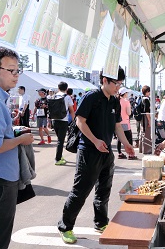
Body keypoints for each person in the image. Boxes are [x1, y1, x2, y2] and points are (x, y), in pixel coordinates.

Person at [57, 68, 135, 244]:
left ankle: (101, 222)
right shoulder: (91, 97)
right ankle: (65, 227)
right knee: (80, 191)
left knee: (104, 189)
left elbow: (117, 126)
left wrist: (127, 144)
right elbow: (80, 122)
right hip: (89, 151)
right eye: (117, 84)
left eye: (121, 84)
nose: (118, 88)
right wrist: (95, 140)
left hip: (106, 152)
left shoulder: (114, 101)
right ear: (106, 80)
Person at [0, 46, 34, 249]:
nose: (16, 76)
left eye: (17, 70)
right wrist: (21, 140)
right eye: (11, 70)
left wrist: (12, 130)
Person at [52, 81, 75, 165]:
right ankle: (58, 159)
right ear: (67, 89)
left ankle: (59, 156)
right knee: (60, 141)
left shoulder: (53, 96)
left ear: (58, 88)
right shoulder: (67, 97)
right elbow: (71, 110)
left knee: (59, 140)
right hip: (63, 120)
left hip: (54, 120)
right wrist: (74, 120)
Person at [117, 87, 137, 160]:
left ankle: (119, 153)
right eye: (127, 93)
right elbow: (129, 113)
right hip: (125, 121)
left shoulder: (117, 101)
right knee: (129, 138)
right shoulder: (126, 102)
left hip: (118, 122)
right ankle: (131, 154)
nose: (128, 94)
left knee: (119, 138)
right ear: (124, 94)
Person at [140, 85, 152, 154]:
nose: (150, 93)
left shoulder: (141, 98)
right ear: (147, 91)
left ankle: (141, 149)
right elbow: (147, 111)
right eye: (149, 91)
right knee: (147, 133)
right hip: (145, 117)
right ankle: (147, 150)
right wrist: (149, 120)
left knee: (142, 133)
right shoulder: (146, 99)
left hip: (142, 118)